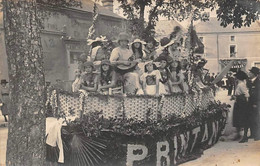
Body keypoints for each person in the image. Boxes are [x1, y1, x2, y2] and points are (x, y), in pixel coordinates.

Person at [231, 70, 249, 143]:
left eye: (236, 76)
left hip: (241, 104)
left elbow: (246, 94)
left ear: (238, 77)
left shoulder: (241, 84)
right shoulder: (239, 84)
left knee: (242, 119)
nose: (235, 78)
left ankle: (244, 136)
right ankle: (238, 135)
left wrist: (242, 100)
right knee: (237, 118)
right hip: (238, 103)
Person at [247, 67, 260, 141]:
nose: (249, 74)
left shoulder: (258, 82)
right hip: (250, 103)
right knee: (251, 118)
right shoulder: (249, 82)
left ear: (254, 74)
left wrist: (255, 103)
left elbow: (258, 94)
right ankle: (252, 134)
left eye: (250, 73)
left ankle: (257, 135)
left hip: (255, 103)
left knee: (256, 119)